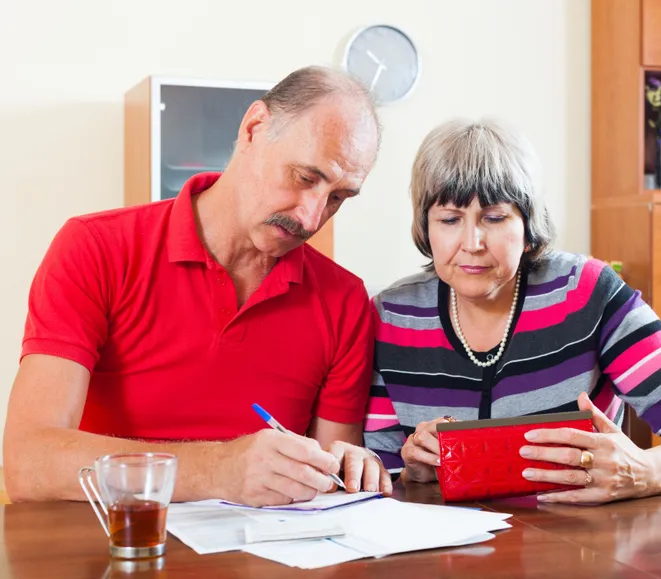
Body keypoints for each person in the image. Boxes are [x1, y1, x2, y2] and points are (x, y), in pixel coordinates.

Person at [4, 66, 391, 506]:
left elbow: (328, 481)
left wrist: (345, 470)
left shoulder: (343, 299)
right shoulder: (95, 249)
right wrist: (218, 470)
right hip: (114, 555)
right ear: (254, 128)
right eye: (305, 178)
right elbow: (28, 464)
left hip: (268, 563)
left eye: (338, 198)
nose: (311, 217)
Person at [364, 118, 661, 504]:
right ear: (425, 228)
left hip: (583, 549)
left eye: (495, 217)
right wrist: (414, 471)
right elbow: (374, 471)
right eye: (449, 219)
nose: (472, 242)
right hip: (443, 558)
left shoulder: (585, 294)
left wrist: (650, 471)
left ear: (528, 223)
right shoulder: (392, 316)